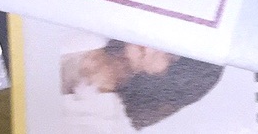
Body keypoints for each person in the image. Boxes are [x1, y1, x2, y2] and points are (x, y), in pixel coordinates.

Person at [61, 36, 225, 131]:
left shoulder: (103, 124)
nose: (157, 46)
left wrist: (100, 87)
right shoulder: (91, 30)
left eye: (170, 56)